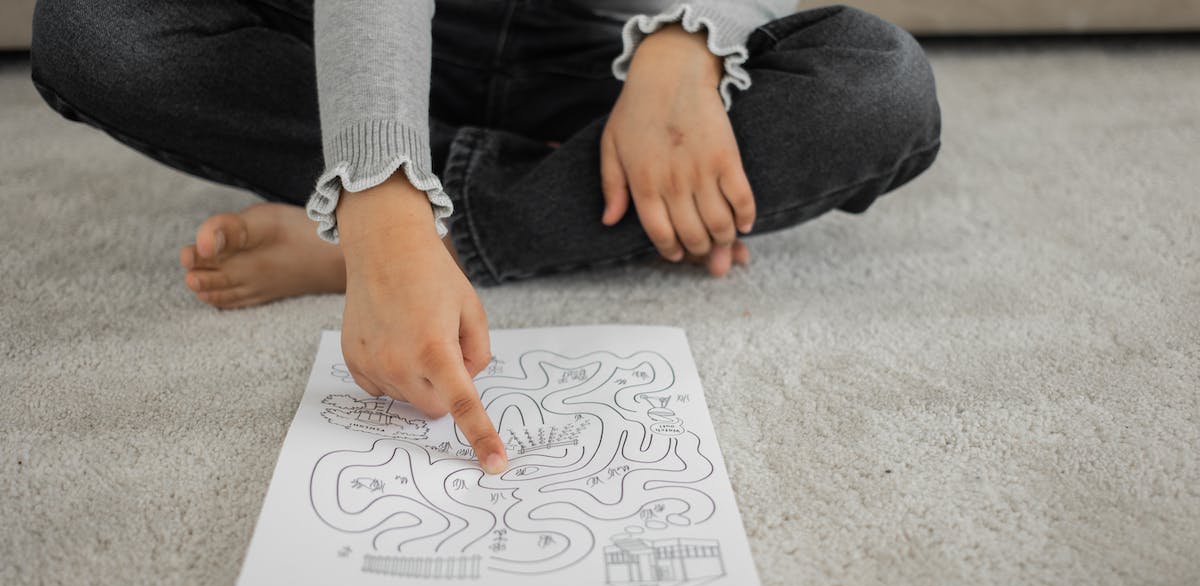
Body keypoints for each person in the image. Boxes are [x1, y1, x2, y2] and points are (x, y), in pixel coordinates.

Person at [30, 0, 941, 474]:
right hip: (376, 42)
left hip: (607, 64)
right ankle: (431, 217)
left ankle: (427, 237)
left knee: (879, 85)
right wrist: (383, 206)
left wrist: (684, 49)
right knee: (92, 24)